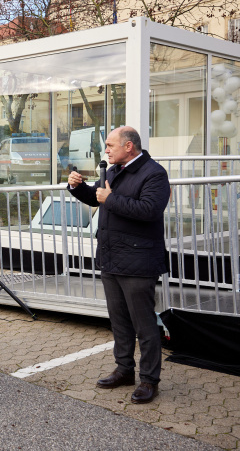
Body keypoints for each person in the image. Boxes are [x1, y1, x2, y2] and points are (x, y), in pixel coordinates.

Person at [68, 126, 170, 405]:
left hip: (138, 260)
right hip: (111, 257)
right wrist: (78, 188)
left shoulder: (154, 173)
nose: (106, 150)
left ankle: (149, 380)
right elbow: (98, 198)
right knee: (120, 321)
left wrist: (109, 198)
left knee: (144, 323)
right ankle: (124, 370)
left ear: (129, 146)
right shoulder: (113, 171)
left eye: (111, 145)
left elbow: (149, 210)